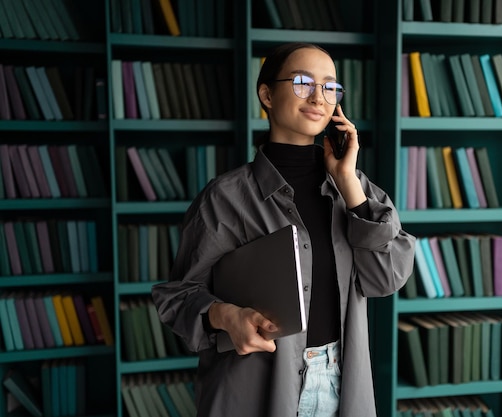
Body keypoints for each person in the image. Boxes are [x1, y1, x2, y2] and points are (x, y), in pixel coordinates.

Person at [152, 42, 416, 417]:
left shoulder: (357, 189)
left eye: (330, 86)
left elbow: (387, 278)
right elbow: (178, 296)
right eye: (302, 82)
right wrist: (226, 316)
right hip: (255, 388)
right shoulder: (225, 197)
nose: (318, 96)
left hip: (342, 384)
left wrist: (348, 184)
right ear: (267, 95)